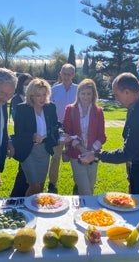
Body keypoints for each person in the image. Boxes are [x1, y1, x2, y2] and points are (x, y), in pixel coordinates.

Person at [79, 72, 139, 194]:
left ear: (127, 92)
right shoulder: (137, 103)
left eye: (117, 95)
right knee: (136, 205)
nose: (116, 99)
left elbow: (127, 153)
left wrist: (96, 155)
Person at [12, 78, 60, 196]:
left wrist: (61, 133)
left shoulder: (50, 107)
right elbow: (19, 133)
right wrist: (32, 136)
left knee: (41, 185)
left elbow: (55, 126)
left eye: (44, 94)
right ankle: (25, 208)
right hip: (28, 151)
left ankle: (35, 208)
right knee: (35, 185)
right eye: (38, 95)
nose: (42, 98)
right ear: (31, 96)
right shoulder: (22, 109)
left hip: (44, 151)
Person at [62, 79, 106, 195]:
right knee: (86, 189)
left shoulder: (99, 111)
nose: (85, 97)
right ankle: (87, 211)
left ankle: (82, 210)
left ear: (93, 95)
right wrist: (82, 149)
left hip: (93, 154)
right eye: (83, 93)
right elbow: (68, 133)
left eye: (88, 94)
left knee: (90, 187)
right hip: (76, 155)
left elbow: (102, 136)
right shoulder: (70, 109)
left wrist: (91, 151)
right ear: (78, 94)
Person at [48, 63, 78, 193]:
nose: (67, 76)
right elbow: (48, 109)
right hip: (58, 128)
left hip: (74, 128)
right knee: (56, 156)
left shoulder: (78, 89)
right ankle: (52, 182)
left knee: (75, 156)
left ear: (73, 75)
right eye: (64, 73)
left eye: (69, 74)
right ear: (60, 73)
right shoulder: (54, 90)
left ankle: (78, 182)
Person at [9, 73, 33, 197]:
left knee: (29, 172)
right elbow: (18, 120)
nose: (28, 87)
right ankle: (16, 197)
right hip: (23, 140)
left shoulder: (33, 98)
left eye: (30, 84)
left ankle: (25, 195)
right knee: (23, 171)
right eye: (26, 84)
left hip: (34, 142)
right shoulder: (16, 99)